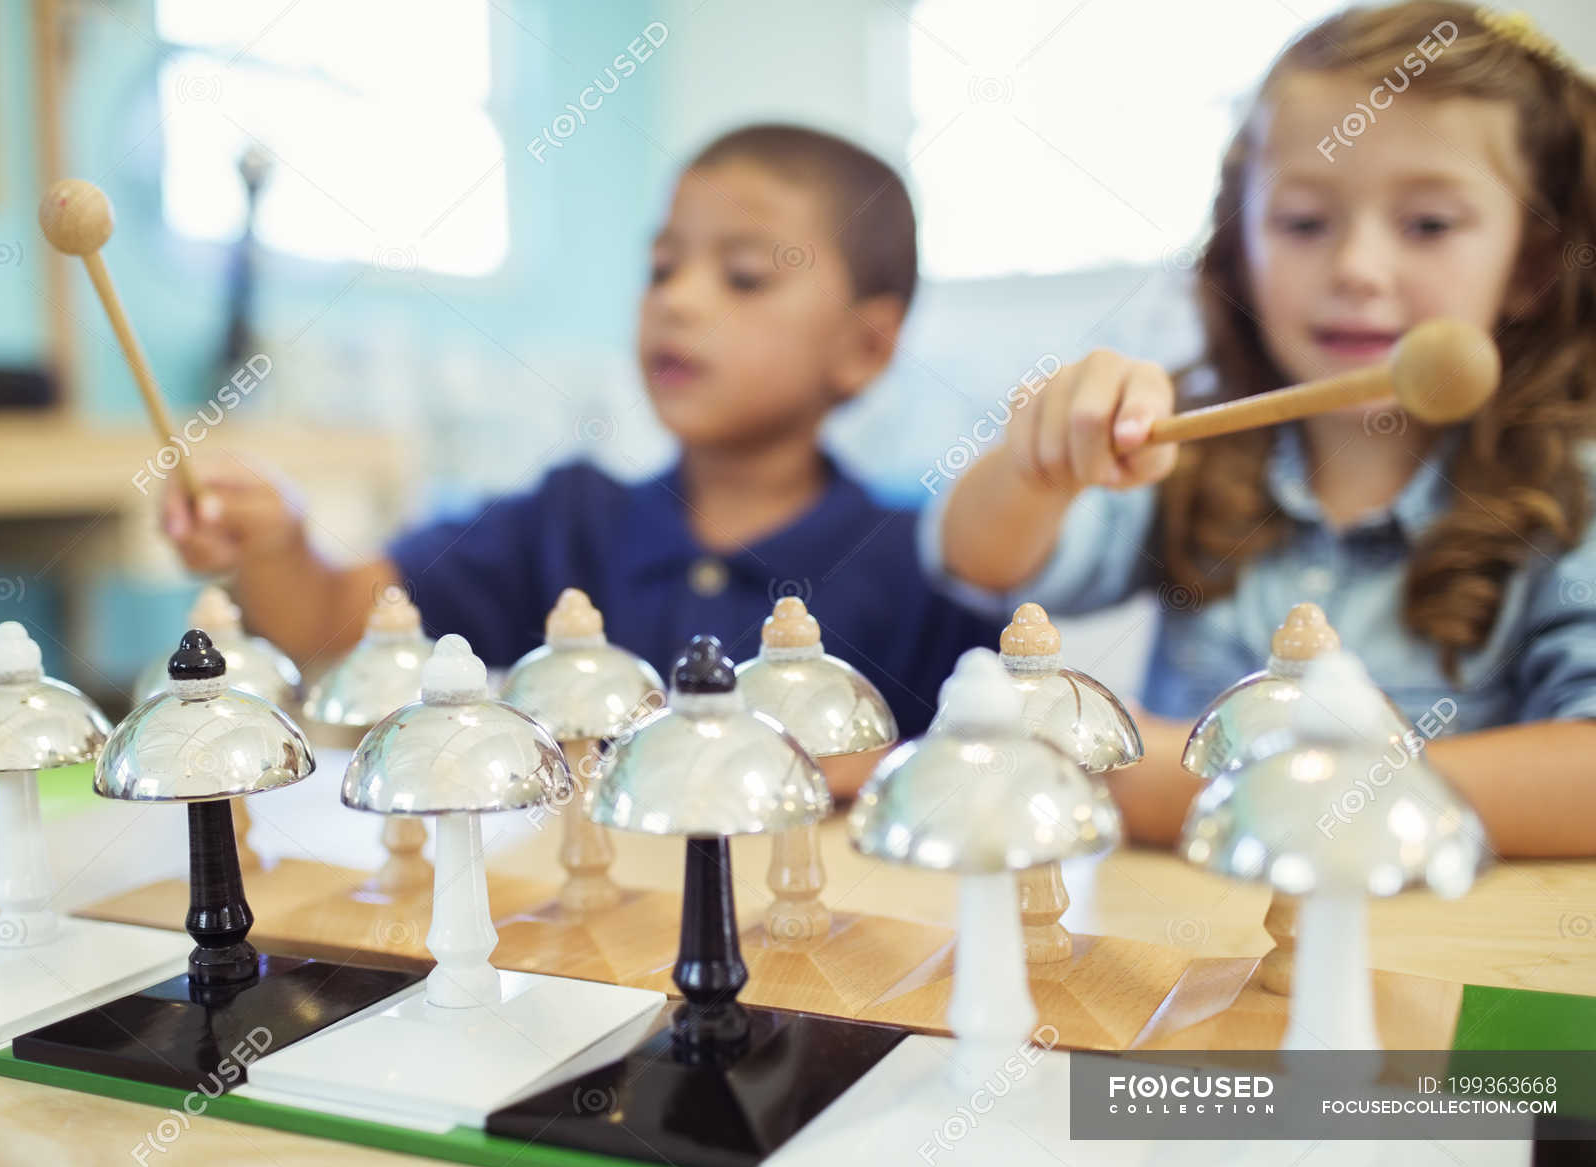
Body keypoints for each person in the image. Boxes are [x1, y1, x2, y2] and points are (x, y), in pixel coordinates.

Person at [931, 3, 1596, 857]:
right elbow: (977, 564)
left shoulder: (1570, 491)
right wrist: (1039, 467)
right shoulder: (1180, 437)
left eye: (1429, 225)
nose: (1357, 269)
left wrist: (1194, 787)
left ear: (1533, 268)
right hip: (1186, 967)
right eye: (1303, 222)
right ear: (1241, 241)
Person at [161, 123, 1004, 786]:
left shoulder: (930, 563)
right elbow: (331, 621)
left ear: (865, 344)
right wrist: (276, 544)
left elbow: (994, 769)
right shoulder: (565, 526)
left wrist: (879, 771)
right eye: (662, 266)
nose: (677, 299)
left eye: (744, 275)